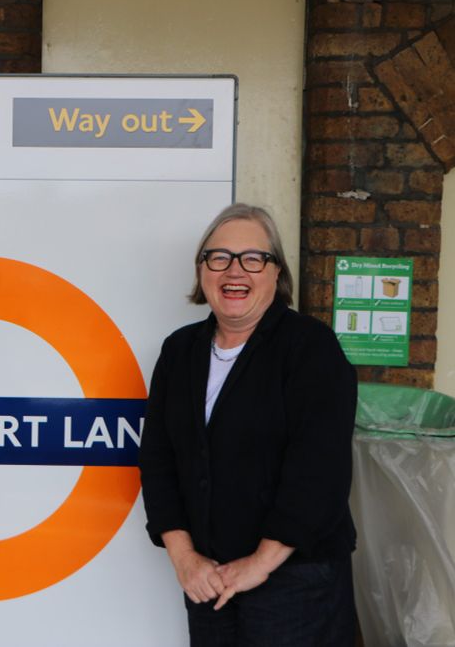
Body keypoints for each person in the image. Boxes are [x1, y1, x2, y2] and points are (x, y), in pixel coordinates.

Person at [139, 204, 357, 645]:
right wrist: (185, 559)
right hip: (208, 582)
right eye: (218, 257)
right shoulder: (180, 352)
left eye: (253, 258)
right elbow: (158, 459)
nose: (234, 271)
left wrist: (259, 562)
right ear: (202, 271)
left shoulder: (310, 348)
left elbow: (319, 469)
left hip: (296, 583)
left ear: (276, 273)